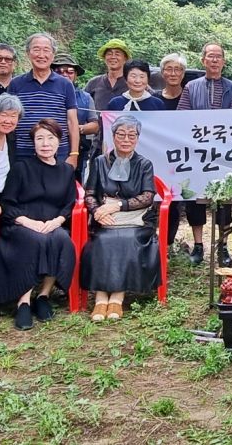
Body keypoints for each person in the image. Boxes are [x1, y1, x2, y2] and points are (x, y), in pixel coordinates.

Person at [0, 119, 77, 331]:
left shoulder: (66, 171)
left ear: (58, 142)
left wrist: (57, 221)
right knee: (34, 240)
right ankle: (24, 300)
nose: (45, 143)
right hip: (20, 224)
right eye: (39, 139)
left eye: (50, 138)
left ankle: (44, 295)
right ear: (33, 143)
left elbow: (68, 204)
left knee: (62, 239)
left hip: (51, 224)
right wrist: (28, 222)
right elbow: (7, 203)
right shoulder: (21, 168)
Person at [80, 116, 160, 321]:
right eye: (121, 135)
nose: (126, 140)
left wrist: (118, 205)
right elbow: (89, 193)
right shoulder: (99, 162)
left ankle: (117, 296)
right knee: (103, 239)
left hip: (136, 218)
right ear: (113, 136)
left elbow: (147, 196)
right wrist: (97, 211)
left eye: (131, 136)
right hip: (105, 217)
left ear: (137, 138)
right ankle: (100, 298)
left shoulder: (144, 164)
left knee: (126, 238)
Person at [177, 43, 232, 266]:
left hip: (224, 155)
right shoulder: (191, 87)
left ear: (224, 61)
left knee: (224, 201)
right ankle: (198, 246)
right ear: (203, 60)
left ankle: (222, 246)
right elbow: (182, 117)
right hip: (196, 154)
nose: (214, 61)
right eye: (210, 56)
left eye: (218, 57)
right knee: (196, 200)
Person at [8, 32, 80, 168]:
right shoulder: (16, 84)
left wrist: (74, 154)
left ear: (53, 55)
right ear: (28, 53)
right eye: (36, 49)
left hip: (59, 153)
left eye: (46, 50)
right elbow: (10, 119)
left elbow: (72, 121)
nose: (41, 55)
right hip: (23, 152)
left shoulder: (65, 84)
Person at [156, 53, 205, 254]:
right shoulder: (154, 100)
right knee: (169, 201)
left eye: (178, 69)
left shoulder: (191, 97)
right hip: (163, 158)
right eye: (169, 69)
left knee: (195, 199)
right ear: (162, 73)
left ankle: (199, 245)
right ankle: (166, 245)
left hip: (192, 158)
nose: (173, 73)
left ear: (184, 73)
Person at [52, 53, 98, 181]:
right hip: (46, 148)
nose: (65, 74)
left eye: (70, 71)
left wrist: (76, 128)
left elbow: (95, 125)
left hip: (77, 150)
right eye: (59, 71)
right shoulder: (45, 93)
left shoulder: (85, 97)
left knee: (74, 187)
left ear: (76, 75)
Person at [85, 39, 132, 110]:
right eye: (109, 54)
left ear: (125, 58)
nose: (113, 57)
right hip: (98, 121)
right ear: (104, 58)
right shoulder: (94, 82)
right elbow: (82, 104)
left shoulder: (133, 83)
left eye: (117, 54)